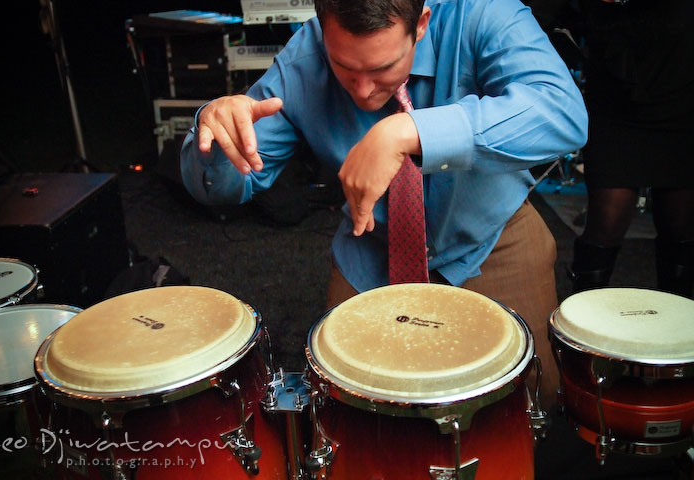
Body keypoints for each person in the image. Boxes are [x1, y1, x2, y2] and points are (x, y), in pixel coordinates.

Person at [180, 0, 588, 410]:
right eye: (345, 68)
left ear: (422, 24)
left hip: (493, 239)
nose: (362, 90)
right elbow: (223, 187)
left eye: (381, 70)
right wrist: (215, 141)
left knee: (534, 401)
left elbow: (564, 113)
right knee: (352, 414)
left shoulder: (483, 13)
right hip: (371, 249)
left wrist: (410, 130)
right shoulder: (304, 57)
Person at [568, 0, 694, 299]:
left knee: (681, 230)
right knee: (607, 223)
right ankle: (582, 323)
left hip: (682, 95)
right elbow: (551, 16)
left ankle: (678, 332)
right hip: (615, 102)